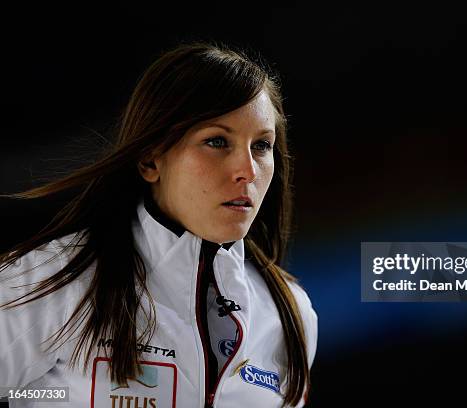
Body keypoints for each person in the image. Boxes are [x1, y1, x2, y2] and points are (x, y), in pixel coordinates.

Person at [0, 42, 317, 408]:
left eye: (261, 146)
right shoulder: (51, 281)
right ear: (151, 160)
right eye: (217, 141)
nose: (246, 171)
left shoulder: (291, 313)